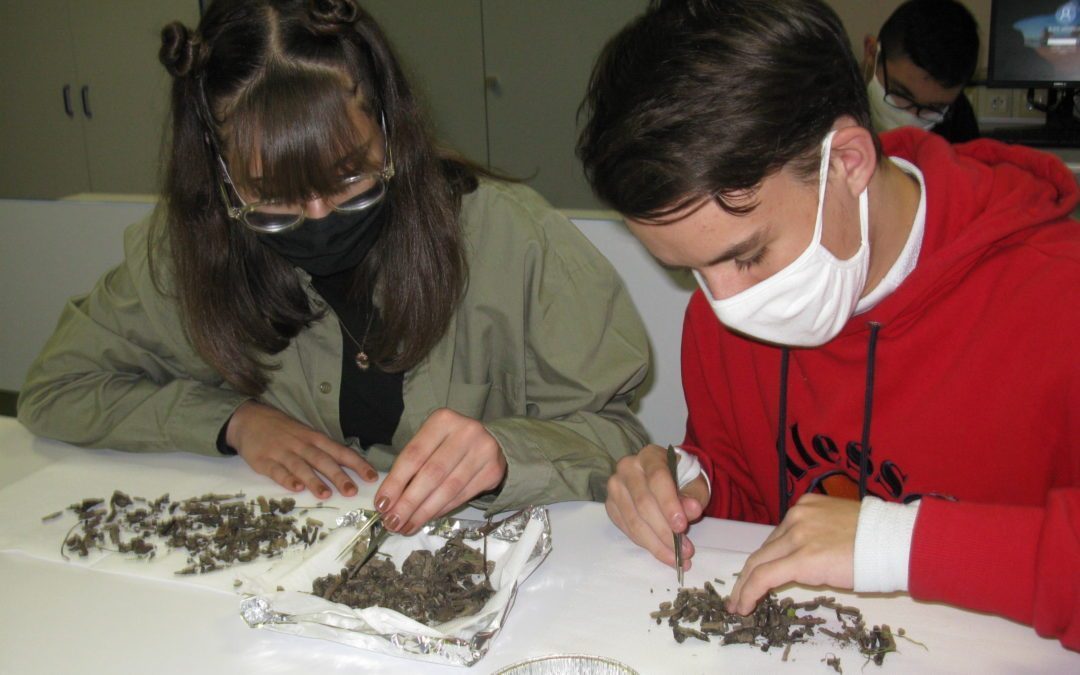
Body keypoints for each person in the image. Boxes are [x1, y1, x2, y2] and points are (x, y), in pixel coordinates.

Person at [17, 0, 651, 537]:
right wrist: (233, 422)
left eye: (351, 175)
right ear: (216, 171)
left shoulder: (516, 239)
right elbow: (57, 392)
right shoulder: (190, 248)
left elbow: (617, 436)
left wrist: (508, 455)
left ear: (386, 123)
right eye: (274, 196)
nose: (319, 216)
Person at [578, 0, 1078, 650]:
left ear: (847, 161)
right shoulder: (721, 314)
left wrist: (890, 543)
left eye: (747, 254)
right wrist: (691, 481)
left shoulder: (1056, 296)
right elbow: (753, 486)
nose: (725, 304)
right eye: (691, 270)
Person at [863, 0, 980, 143]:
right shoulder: (832, 104)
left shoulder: (957, 118)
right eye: (901, 94)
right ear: (871, 52)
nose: (910, 118)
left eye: (934, 108)